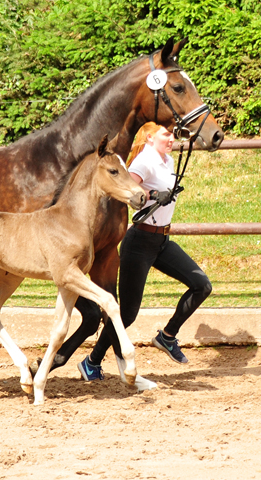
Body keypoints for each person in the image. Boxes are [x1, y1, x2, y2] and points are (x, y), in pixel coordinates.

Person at [78, 122, 212, 381]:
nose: (171, 138)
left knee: (201, 285)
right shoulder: (144, 161)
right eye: (166, 134)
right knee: (127, 313)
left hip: (161, 240)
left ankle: (167, 336)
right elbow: (125, 191)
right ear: (150, 137)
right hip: (139, 241)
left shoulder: (167, 161)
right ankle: (91, 362)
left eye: (172, 134)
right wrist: (152, 195)